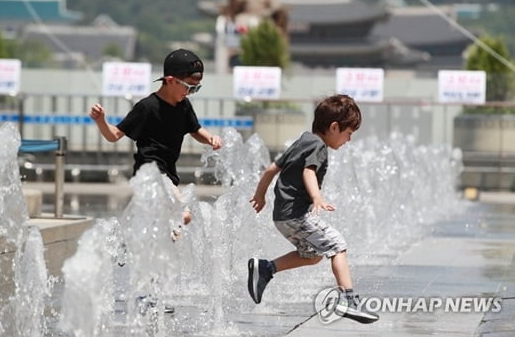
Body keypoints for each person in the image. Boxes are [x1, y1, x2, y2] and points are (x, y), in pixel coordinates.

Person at [247, 94, 379, 324]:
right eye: (348, 134)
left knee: (313, 255)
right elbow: (309, 172)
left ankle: (266, 268)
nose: (348, 140)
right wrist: (317, 197)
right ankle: (348, 299)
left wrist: (260, 195)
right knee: (337, 245)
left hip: (282, 216)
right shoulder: (318, 146)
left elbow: (270, 169)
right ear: (334, 127)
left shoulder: (302, 141)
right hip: (297, 215)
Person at [89, 48, 223, 226]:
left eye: (196, 88)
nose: (190, 92)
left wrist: (210, 138)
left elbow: (195, 129)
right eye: (189, 86)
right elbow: (114, 136)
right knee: (184, 215)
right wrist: (101, 121)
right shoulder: (147, 107)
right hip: (151, 172)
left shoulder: (183, 105)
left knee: (155, 225)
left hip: (168, 173)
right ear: (170, 80)